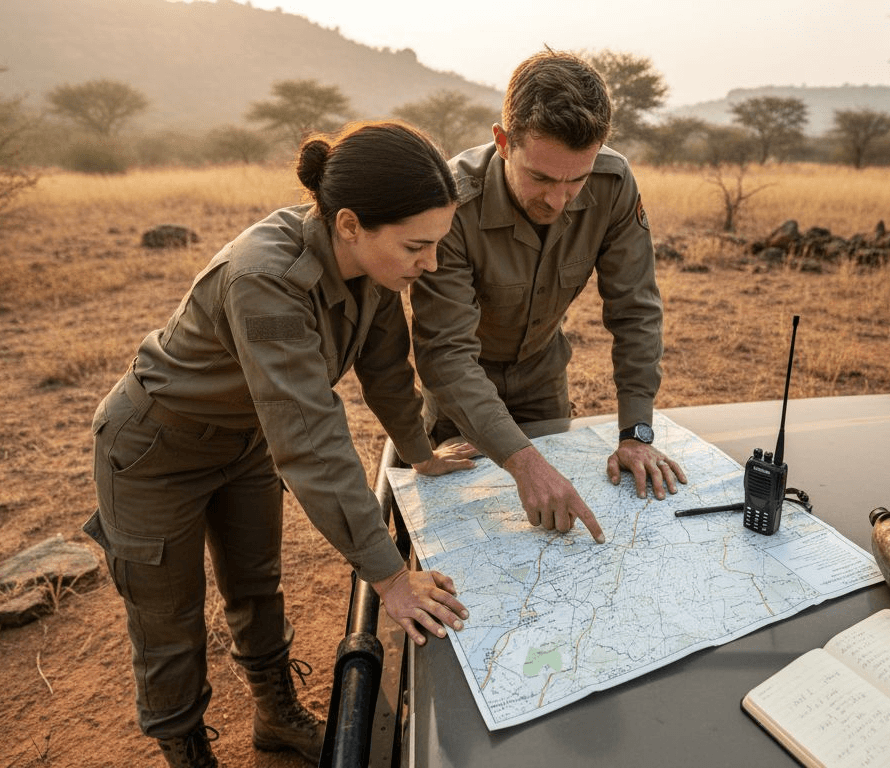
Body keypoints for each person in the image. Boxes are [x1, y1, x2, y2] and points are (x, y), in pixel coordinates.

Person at [85, 121, 475, 768]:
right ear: (350, 224)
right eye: (417, 246)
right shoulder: (264, 277)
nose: (430, 263)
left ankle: (275, 716)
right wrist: (390, 578)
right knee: (169, 621)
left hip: (246, 444)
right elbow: (311, 439)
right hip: (157, 452)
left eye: (437, 243)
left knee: (256, 587)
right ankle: (187, 752)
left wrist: (421, 453)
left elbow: (385, 369)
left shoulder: (373, 266)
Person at [410, 50, 687, 543]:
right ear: (503, 143)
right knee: (462, 536)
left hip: (544, 378)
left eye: (576, 179)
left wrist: (636, 432)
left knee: (554, 537)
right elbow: (446, 354)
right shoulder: (450, 201)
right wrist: (524, 463)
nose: (558, 200)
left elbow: (635, 311)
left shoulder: (614, 183)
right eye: (540, 177)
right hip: (461, 394)